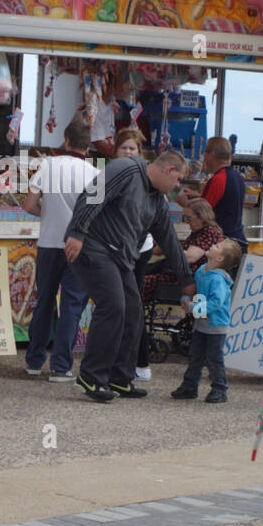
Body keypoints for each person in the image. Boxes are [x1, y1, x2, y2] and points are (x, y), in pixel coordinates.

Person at [64, 149, 194, 403]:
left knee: (133, 312)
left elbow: (168, 238)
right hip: (92, 245)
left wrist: (186, 279)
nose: (178, 186)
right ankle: (91, 377)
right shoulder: (125, 169)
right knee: (113, 305)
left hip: (120, 256)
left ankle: (119, 377)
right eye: (178, 179)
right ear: (168, 170)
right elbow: (91, 196)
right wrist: (77, 232)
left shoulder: (157, 199)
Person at [23, 116, 97, 383]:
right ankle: (61, 367)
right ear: (88, 146)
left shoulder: (48, 165)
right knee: (72, 306)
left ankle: (33, 361)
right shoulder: (95, 173)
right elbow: (97, 214)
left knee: (43, 302)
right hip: (79, 247)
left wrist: (47, 214)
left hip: (48, 243)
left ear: (66, 141)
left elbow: (29, 205)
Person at [172, 238, 243, 403]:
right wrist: (186, 298)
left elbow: (216, 303)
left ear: (220, 258)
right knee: (195, 356)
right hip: (202, 324)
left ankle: (220, 389)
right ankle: (190, 386)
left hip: (216, 326)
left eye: (217, 246)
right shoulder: (203, 270)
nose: (213, 245)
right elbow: (195, 290)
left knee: (214, 359)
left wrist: (193, 308)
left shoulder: (217, 279)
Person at [113, 128, 159, 382]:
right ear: (115, 151)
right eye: (124, 148)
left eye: (133, 148)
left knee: (132, 305)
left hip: (138, 249)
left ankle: (139, 361)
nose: (129, 152)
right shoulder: (106, 173)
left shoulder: (146, 178)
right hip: (114, 248)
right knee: (117, 305)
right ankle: (120, 363)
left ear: (140, 153)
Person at [142, 198, 223, 300]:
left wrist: (169, 246)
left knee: (136, 283)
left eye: (189, 218)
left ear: (202, 217)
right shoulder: (198, 233)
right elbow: (160, 251)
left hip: (183, 280)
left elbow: (190, 257)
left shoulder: (209, 233)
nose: (187, 222)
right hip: (175, 275)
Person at [177, 137, 246, 248]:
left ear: (212, 154)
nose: (203, 158)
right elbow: (225, 204)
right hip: (237, 238)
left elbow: (202, 215)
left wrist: (184, 202)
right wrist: (197, 196)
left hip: (222, 243)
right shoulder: (237, 177)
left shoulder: (218, 180)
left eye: (205, 153)